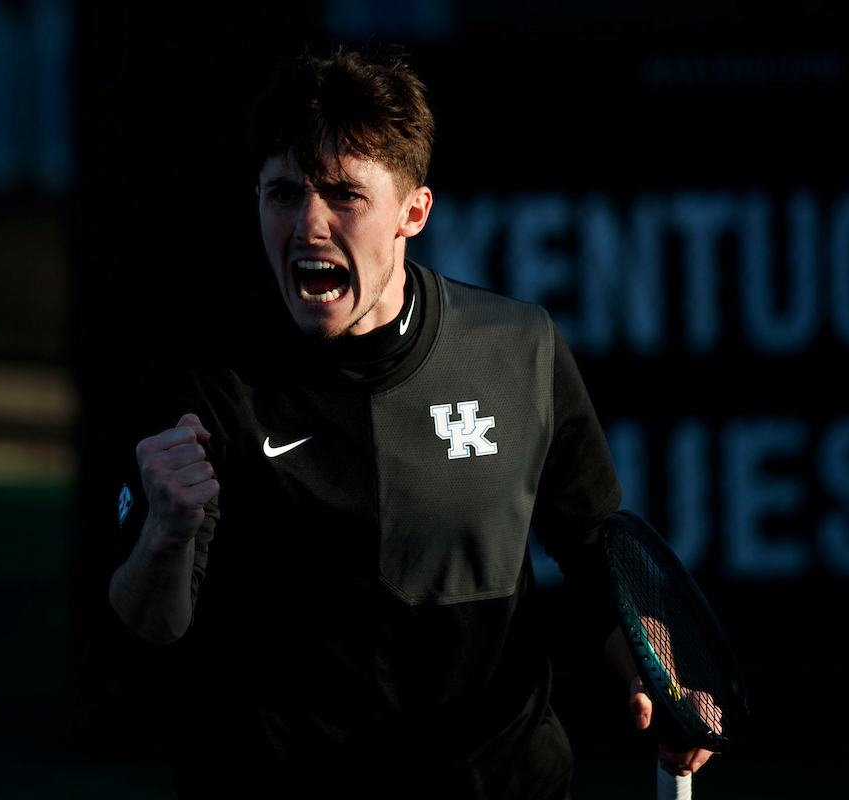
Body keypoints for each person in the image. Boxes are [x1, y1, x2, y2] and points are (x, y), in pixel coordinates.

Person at [108, 45, 711, 797]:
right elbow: (150, 624)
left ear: (413, 212)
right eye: (284, 193)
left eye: (344, 194)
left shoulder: (520, 349)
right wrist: (166, 535)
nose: (310, 224)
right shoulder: (197, 384)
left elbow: (598, 554)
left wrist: (664, 678)